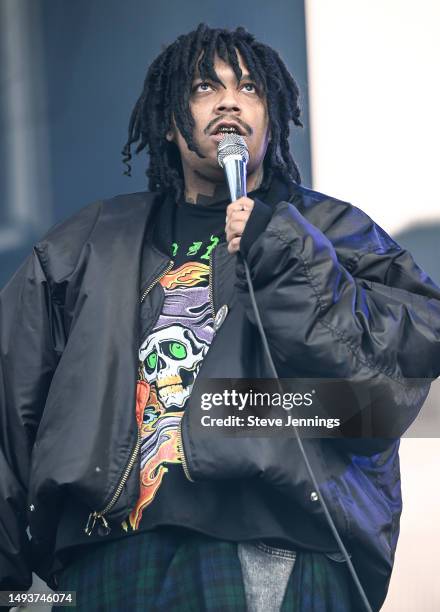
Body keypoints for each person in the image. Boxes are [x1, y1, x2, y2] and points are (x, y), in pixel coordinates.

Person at [1, 22, 440, 612]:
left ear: (271, 117)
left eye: (251, 88)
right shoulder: (85, 246)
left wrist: (281, 253)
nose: (230, 100)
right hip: (103, 563)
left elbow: (374, 399)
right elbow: (10, 408)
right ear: (167, 118)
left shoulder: (335, 234)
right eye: (206, 87)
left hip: (265, 549)